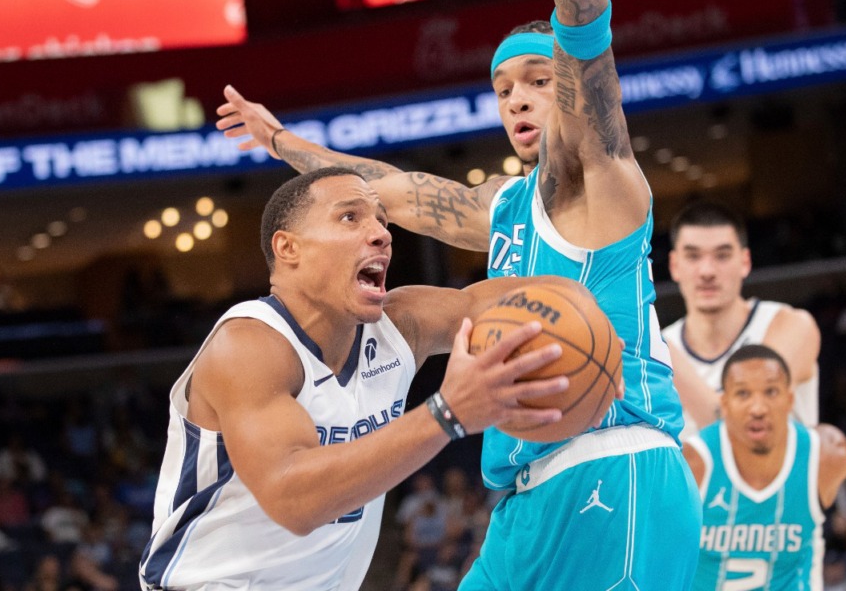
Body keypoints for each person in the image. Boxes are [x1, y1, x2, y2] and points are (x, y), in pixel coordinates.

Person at [216, 0, 700, 587]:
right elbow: (385, 186)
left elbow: (587, 43)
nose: (518, 100)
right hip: (523, 499)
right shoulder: (501, 207)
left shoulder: (608, 183)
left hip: (613, 466)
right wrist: (279, 140)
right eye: (504, 90)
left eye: (537, 80)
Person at [139, 168, 578, 590]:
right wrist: (449, 413)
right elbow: (293, 499)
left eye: (382, 221)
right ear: (288, 248)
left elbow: (540, 298)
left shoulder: (401, 326)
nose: (383, 234)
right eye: (350, 217)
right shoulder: (249, 346)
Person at [683, 344, 846, 590]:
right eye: (743, 394)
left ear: (790, 399)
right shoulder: (694, 463)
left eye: (771, 392)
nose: (758, 409)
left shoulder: (827, 455)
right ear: (725, 403)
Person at [664, 200, 821, 436]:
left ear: (745, 262)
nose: (707, 271)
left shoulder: (792, 325)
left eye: (722, 255)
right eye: (693, 256)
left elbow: (738, 429)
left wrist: (659, 348)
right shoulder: (658, 346)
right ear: (674, 265)